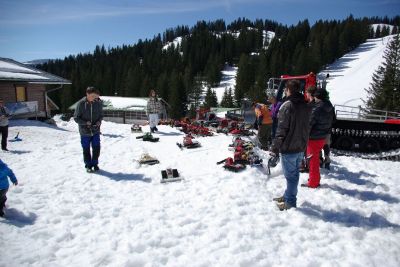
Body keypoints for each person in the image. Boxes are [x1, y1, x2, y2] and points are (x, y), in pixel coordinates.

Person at [270, 80, 311, 210]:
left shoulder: (287, 105)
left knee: (291, 177)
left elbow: (281, 129)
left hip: (289, 148)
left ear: (288, 90)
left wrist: (275, 148)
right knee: (294, 175)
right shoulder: (305, 104)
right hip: (300, 147)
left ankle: (290, 203)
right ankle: (287, 196)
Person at [302, 89, 334, 188]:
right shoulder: (329, 106)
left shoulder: (317, 109)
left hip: (313, 137)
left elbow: (309, 124)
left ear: (318, 97)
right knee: (315, 159)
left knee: (312, 160)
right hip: (322, 136)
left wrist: (304, 134)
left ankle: (313, 182)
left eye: (315, 96)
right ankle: (314, 179)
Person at [74, 87, 103, 173]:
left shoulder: (98, 103)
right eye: (92, 96)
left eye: (95, 96)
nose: (94, 97)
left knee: (96, 148)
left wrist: (99, 121)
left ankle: (95, 164)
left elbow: (101, 115)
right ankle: (88, 165)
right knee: (86, 149)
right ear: (87, 94)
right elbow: (76, 118)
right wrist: (85, 123)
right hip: (84, 132)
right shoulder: (81, 104)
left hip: (95, 130)